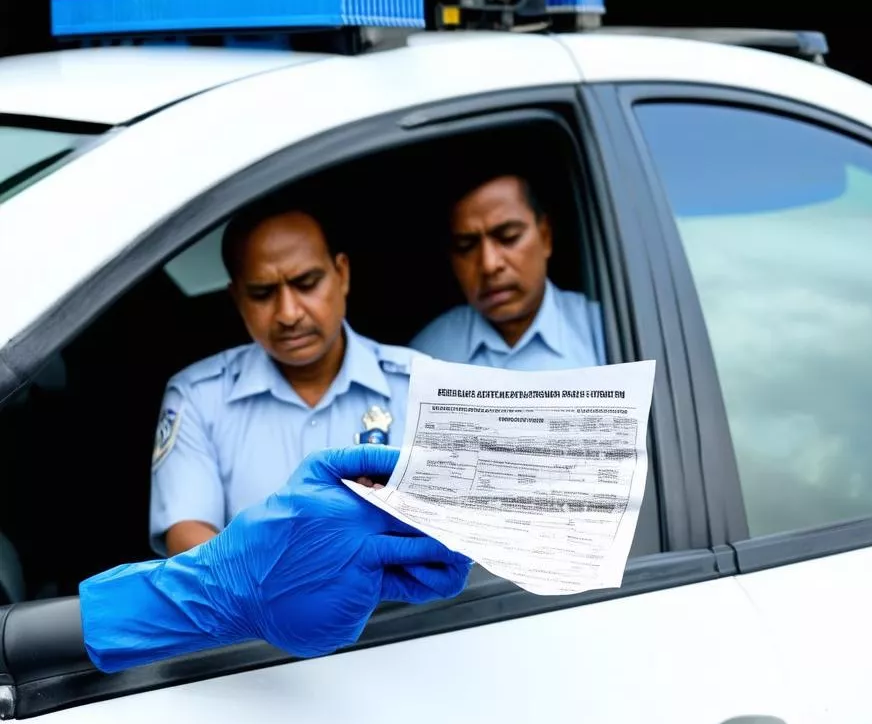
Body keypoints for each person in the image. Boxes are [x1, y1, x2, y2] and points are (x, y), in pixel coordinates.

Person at [150, 196, 424, 557]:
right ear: (236, 297)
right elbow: (187, 537)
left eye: (306, 283)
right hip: (256, 597)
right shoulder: (199, 398)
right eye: (262, 293)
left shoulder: (422, 384)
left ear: (342, 274)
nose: (289, 313)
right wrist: (283, 577)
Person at [84, 446, 472, 673]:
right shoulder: (202, 392)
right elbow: (185, 530)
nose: (289, 324)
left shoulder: (411, 372)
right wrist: (230, 587)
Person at [410, 172, 606, 370]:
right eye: (466, 247)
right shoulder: (428, 357)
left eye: (508, 237)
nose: (489, 264)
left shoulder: (603, 332)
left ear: (545, 237)